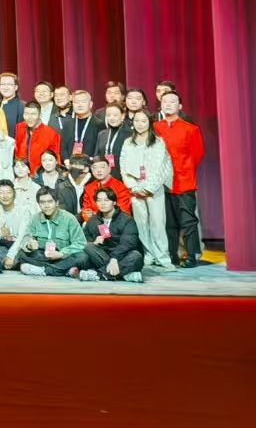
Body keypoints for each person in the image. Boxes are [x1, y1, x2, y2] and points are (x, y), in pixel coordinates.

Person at [153, 90, 205, 267]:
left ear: (180, 106)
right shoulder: (155, 128)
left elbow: (197, 154)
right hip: (162, 182)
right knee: (169, 222)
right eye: (165, 101)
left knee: (188, 220)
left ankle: (192, 254)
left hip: (184, 181)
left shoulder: (190, 129)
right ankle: (172, 255)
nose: (168, 104)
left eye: (172, 101)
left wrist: (183, 169)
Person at [120, 109, 175, 270]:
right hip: (135, 188)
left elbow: (161, 168)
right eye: (137, 121)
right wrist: (133, 186)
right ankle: (149, 254)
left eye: (143, 121)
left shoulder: (158, 142)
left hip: (154, 188)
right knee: (141, 223)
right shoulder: (128, 143)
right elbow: (123, 166)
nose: (140, 124)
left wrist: (149, 187)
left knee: (157, 222)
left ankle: (163, 257)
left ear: (149, 122)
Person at [7, 188, 86, 278]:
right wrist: (29, 245)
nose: (46, 205)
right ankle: (65, 270)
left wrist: (62, 254)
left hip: (64, 257)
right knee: (22, 254)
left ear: (57, 203)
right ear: (39, 204)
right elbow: (26, 238)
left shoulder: (69, 218)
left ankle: (44, 270)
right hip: (44, 256)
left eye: (50, 202)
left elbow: (80, 243)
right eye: (42, 202)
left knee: (83, 256)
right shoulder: (35, 218)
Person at [78, 187, 144, 283]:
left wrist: (114, 258)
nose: (102, 203)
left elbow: (128, 243)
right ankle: (124, 275)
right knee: (87, 246)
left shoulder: (126, 220)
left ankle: (98, 275)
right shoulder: (93, 220)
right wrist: (94, 242)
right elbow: (84, 240)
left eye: (106, 200)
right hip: (103, 256)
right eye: (99, 200)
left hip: (122, 256)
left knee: (136, 256)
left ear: (114, 202)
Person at [0, 180, 29, 273]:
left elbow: (22, 237)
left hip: (19, 247)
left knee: (26, 252)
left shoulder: (24, 211)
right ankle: (9, 264)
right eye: (1, 193)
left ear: (14, 194)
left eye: (8, 192)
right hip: (2, 247)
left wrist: (10, 256)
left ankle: (4, 263)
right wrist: (0, 232)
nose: (5, 196)